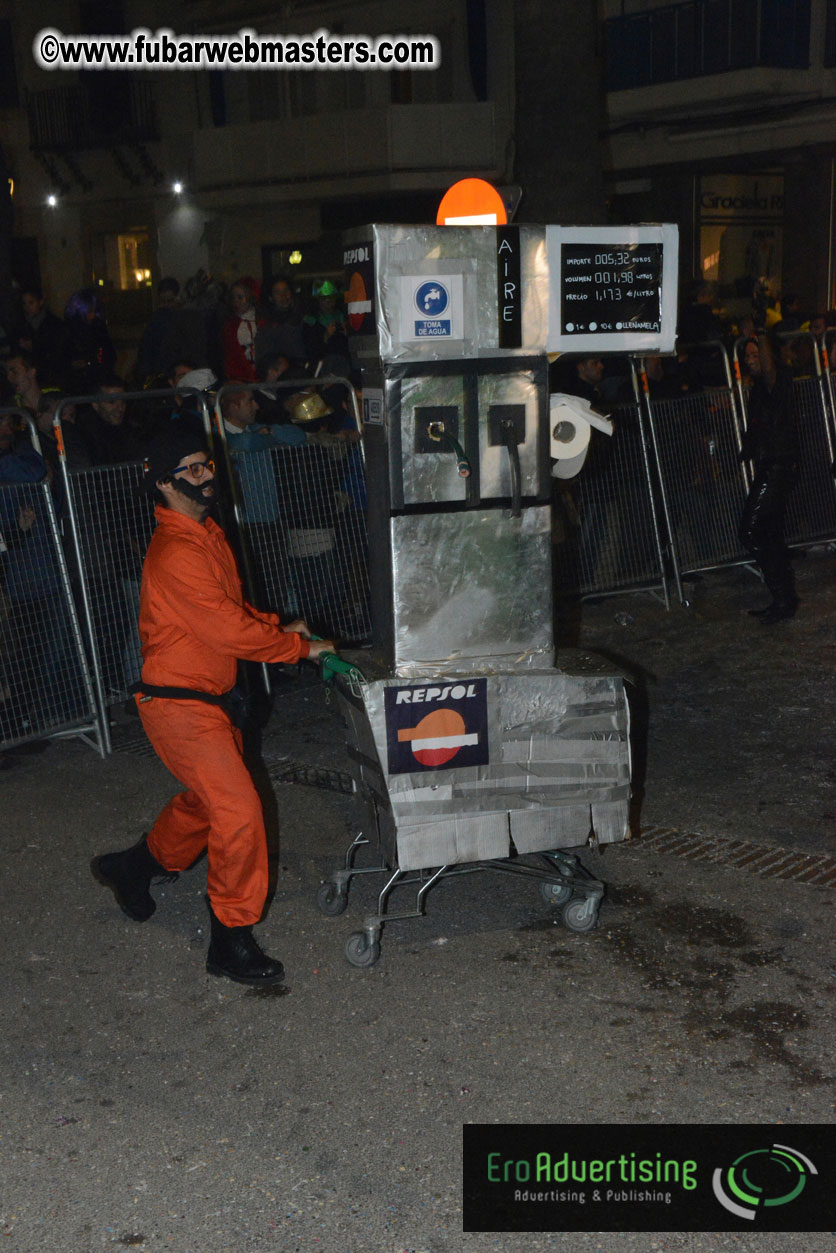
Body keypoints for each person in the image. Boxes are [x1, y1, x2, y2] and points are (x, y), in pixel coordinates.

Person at [91, 427, 336, 986]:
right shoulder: (178, 548)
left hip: (208, 700)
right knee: (239, 812)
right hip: (179, 705)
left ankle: (131, 868)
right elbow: (225, 626)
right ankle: (230, 940)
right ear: (163, 483)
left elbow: (228, 608)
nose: (206, 477)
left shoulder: (206, 535)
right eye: (192, 470)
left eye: (207, 466)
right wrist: (297, 647)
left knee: (207, 805)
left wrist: (276, 625)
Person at [738, 335, 799, 624]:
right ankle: (784, 598)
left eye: (754, 355)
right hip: (772, 463)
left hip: (778, 465)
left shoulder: (778, 381)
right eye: (747, 356)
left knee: (752, 532)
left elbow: (768, 366)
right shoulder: (761, 388)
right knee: (769, 533)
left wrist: (759, 334)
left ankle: (784, 597)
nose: (751, 360)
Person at [222, 278, 265, 383]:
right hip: (240, 377)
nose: (236, 302)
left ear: (250, 297)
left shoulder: (262, 321)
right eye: (233, 298)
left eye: (240, 298)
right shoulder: (230, 326)